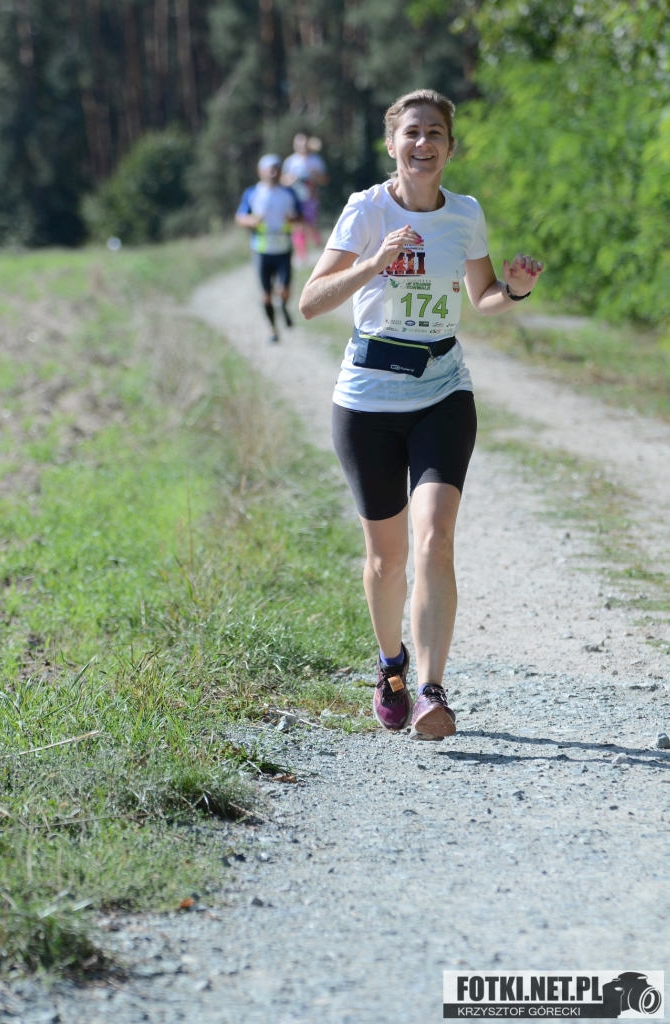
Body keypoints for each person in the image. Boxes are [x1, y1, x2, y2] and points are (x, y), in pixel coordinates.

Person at [299, 89, 543, 739]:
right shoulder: (365, 210)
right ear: (392, 145)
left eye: (435, 132)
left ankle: (433, 691)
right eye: (411, 131)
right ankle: (392, 669)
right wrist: (375, 262)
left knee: (435, 538)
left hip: (443, 393)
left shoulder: (464, 213)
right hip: (367, 403)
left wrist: (514, 290)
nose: (422, 142)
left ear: (449, 148)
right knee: (386, 560)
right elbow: (310, 302)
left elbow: (483, 296)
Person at [235, 154, 301, 343]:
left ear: (280, 171)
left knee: (284, 290)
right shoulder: (252, 193)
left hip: (283, 249)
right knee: (266, 295)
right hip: (261, 250)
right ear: (260, 171)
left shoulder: (289, 193)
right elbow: (240, 218)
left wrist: (293, 219)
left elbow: (301, 217)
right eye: (269, 169)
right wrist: (252, 221)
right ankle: (272, 330)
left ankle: (284, 306)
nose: (272, 172)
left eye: (276, 169)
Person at [282, 133, 328, 260]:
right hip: (295, 198)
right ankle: (301, 255)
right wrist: (292, 179)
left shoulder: (316, 160)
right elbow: (283, 181)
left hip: (311, 198)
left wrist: (315, 175)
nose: (302, 147)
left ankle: (319, 247)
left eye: (304, 144)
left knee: (311, 223)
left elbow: (324, 180)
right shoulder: (290, 161)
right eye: (299, 144)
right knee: (297, 225)